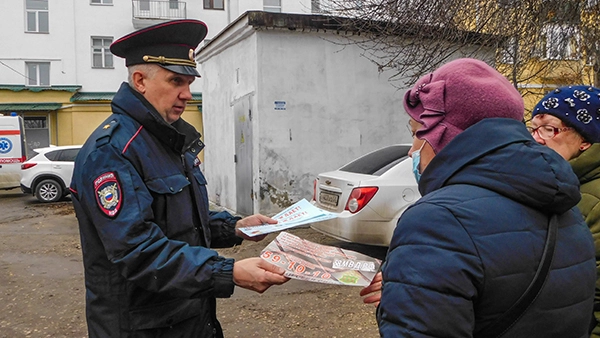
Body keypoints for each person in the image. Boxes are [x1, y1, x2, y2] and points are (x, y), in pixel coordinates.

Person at [69, 20, 289, 337]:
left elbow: (183, 221)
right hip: (141, 328)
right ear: (140, 80)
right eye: (176, 81)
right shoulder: (112, 152)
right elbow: (138, 251)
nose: (187, 94)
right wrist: (229, 272)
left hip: (188, 319)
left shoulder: (168, 140)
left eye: (189, 82)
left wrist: (236, 227)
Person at [360, 58, 595, 337]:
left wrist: (406, 297)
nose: (412, 150)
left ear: (447, 136)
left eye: (417, 134)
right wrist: (413, 286)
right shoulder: (567, 206)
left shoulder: (436, 220)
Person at [529, 85, 600, 336]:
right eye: (533, 128)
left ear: (585, 140)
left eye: (549, 128)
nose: (536, 138)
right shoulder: (556, 187)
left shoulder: (592, 198)